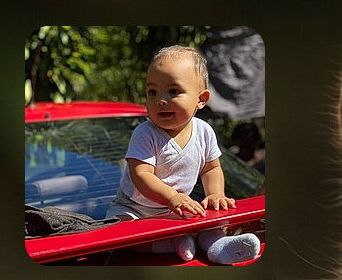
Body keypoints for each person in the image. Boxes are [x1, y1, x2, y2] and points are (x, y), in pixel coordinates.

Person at [107, 45, 260, 264]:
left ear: (201, 99)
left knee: (209, 221)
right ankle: (174, 242)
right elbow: (141, 175)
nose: (161, 99)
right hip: (135, 208)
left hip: (177, 208)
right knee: (121, 235)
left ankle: (219, 246)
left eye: (173, 91)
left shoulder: (204, 131)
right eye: (152, 92)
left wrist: (215, 194)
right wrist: (172, 197)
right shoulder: (145, 133)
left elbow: (211, 167)